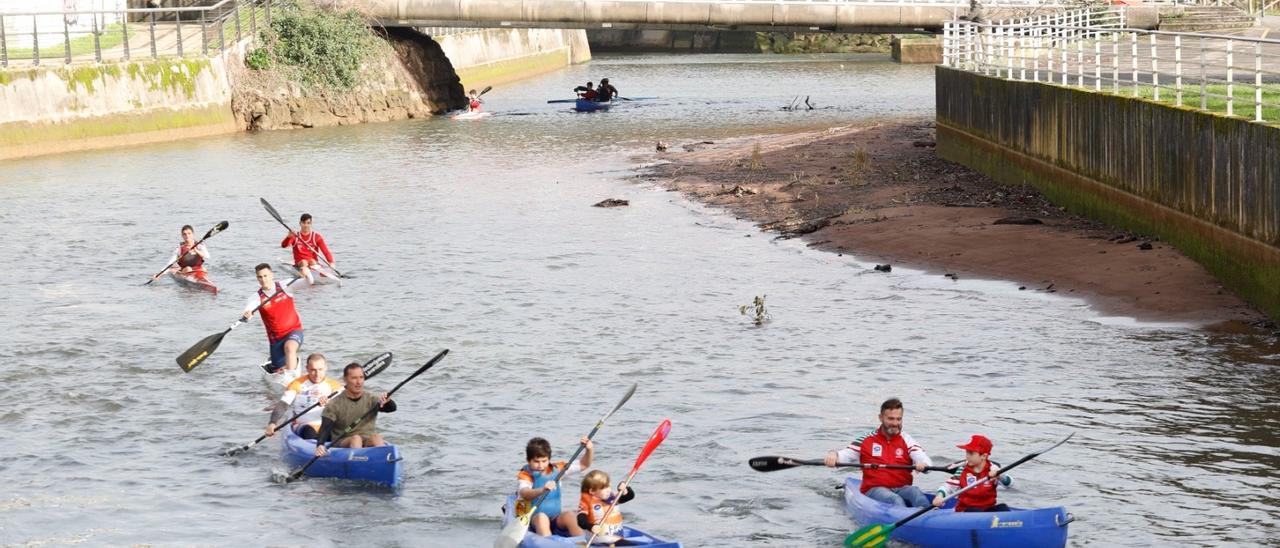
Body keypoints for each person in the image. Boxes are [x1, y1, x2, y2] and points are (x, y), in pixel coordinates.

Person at [824, 397, 934, 507]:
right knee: (895, 500)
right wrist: (834, 454)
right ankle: (905, 518)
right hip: (874, 489)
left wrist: (924, 464)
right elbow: (845, 455)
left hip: (902, 488)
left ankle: (928, 518)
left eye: (898, 419)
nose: (895, 423)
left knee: (916, 493)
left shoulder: (907, 440)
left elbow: (923, 457)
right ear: (881, 418)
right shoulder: (867, 439)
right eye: (891, 419)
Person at [515, 436, 594, 537]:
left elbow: (584, 464)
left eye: (544, 461)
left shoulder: (558, 469)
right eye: (536, 461)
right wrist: (542, 490)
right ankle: (548, 542)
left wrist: (589, 449)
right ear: (528, 460)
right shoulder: (525, 474)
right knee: (542, 518)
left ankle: (581, 542)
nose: (540, 465)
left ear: (549, 459)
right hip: (534, 519)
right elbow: (525, 493)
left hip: (555, 518)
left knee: (570, 515)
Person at [314, 363, 396, 456]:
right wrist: (320, 445)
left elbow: (392, 408)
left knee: (376, 437)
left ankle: (383, 462)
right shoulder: (334, 404)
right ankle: (358, 463)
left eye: (361, 377)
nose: (359, 382)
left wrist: (388, 401)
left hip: (367, 439)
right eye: (354, 378)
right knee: (356, 439)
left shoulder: (371, 399)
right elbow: (325, 429)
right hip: (343, 441)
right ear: (345, 380)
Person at [243, 263, 304, 380]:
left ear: (272, 275)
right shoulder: (256, 297)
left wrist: (307, 274)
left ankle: (292, 381)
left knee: (290, 348)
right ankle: (280, 365)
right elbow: (249, 310)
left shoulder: (285, 285)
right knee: (277, 367)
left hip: (294, 331)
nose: (263, 279)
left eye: (265, 276)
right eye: (260, 277)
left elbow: (307, 282)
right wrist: (247, 315)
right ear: (257, 278)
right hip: (276, 340)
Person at [265, 353, 342, 440]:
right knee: (309, 432)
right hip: (304, 425)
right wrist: (272, 423)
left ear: (326, 368)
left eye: (320, 369)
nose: (317, 374)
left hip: (327, 425)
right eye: (313, 370)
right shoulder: (296, 384)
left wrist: (330, 403)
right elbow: (283, 405)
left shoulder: (335, 386)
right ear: (307, 369)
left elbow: (345, 407)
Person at [932, 435, 1012, 512]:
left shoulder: (993, 469)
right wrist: (939, 496)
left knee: (1003, 508)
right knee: (975, 511)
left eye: (971, 453)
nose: (967, 456)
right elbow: (948, 487)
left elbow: (1010, 484)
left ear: (983, 456)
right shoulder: (962, 470)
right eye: (967, 453)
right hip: (966, 511)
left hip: (987, 510)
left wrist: (1000, 475)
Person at [577, 470, 635, 540]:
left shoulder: (611, 497)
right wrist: (591, 527)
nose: (608, 490)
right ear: (592, 491)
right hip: (599, 539)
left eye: (608, 486)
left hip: (616, 536)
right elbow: (581, 520)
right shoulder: (587, 502)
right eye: (603, 488)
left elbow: (629, 496)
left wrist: (625, 489)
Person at [280, 213, 334, 285]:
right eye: (304, 223)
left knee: (312, 261)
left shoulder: (316, 237)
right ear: (300, 223)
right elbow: (283, 245)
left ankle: (316, 274)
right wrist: (289, 237)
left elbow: (326, 251)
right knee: (304, 262)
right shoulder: (295, 236)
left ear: (311, 224)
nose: (306, 225)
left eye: (308, 223)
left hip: (313, 263)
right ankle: (306, 276)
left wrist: (331, 262)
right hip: (300, 263)